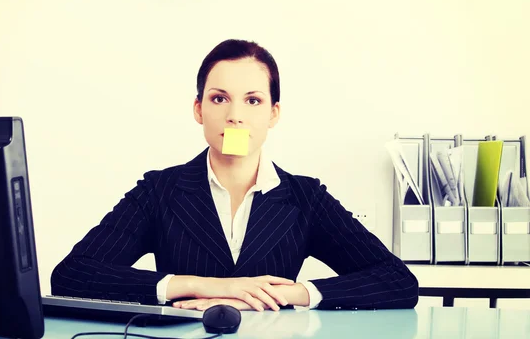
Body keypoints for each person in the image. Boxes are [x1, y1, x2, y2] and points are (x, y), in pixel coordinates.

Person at [51, 39, 419, 312]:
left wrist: (285, 294)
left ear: (273, 113)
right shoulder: (158, 191)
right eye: (219, 98)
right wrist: (201, 287)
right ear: (198, 110)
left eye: (253, 100)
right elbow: (71, 276)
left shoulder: (306, 198)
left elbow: (397, 282)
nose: (235, 116)